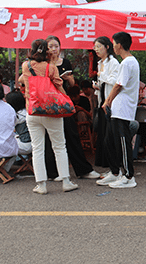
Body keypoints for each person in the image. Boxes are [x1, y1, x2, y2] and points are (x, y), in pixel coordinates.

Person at [18, 39, 78, 194]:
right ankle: (66, 181)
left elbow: (21, 80)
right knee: (59, 146)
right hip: (51, 111)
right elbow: (59, 87)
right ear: (47, 51)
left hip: (32, 111)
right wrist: (67, 101)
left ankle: (41, 185)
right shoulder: (51, 68)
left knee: (37, 148)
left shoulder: (26, 66)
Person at [44, 36, 99, 182]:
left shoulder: (65, 62)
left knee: (72, 135)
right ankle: (52, 172)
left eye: (56, 46)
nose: (54, 49)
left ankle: (83, 170)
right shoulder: (43, 64)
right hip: (48, 104)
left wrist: (68, 79)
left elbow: (73, 83)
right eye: (50, 46)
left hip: (64, 103)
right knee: (49, 138)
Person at [96, 32, 139, 189]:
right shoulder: (127, 62)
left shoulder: (127, 63)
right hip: (117, 108)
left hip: (122, 108)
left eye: (114, 43)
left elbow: (118, 84)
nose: (113, 46)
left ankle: (129, 176)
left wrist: (108, 100)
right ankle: (115, 172)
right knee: (109, 141)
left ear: (119, 45)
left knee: (122, 142)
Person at [92, 36, 120, 170]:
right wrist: (97, 86)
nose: (96, 49)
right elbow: (104, 81)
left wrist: (101, 76)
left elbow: (115, 81)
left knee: (109, 132)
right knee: (102, 132)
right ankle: (103, 161)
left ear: (107, 47)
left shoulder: (113, 62)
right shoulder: (100, 62)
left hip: (110, 101)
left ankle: (112, 163)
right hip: (102, 99)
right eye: (95, 47)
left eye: (99, 46)